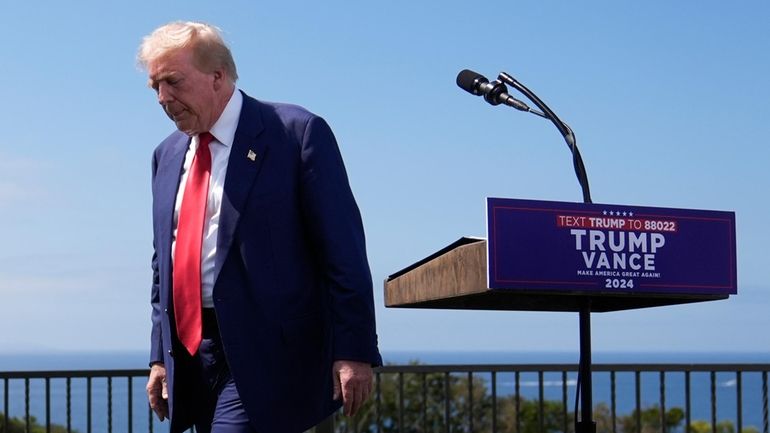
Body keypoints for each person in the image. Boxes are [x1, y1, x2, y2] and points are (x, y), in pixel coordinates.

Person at [137, 21, 381, 433]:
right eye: (155, 86)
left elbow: (343, 250)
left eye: (173, 82)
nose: (163, 98)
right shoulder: (166, 155)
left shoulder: (295, 134)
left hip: (268, 352)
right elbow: (165, 262)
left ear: (218, 75)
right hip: (193, 355)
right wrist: (160, 356)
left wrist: (354, 349)